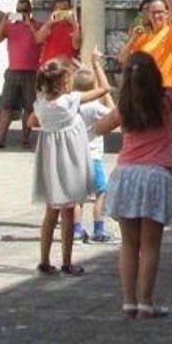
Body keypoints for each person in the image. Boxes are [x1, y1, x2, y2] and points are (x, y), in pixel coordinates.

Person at [93, 33, 172, 318]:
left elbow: (101, 128)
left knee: (129, 244)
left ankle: (128, 301)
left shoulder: (126, 107)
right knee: (151, 245)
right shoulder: (168, 98)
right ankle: (146, 302)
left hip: (126, 174)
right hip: (156, 174)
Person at [32, 53, 111, 276]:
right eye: (68, 79)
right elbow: (104, 89)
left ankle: (44, 261)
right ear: (62, 82)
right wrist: (96, 65)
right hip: (69, 160)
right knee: (68, 212)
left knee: (50, 212)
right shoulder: (70, 100)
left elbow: (32, 119)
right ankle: (67, 262)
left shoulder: (40, 103)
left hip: (49, 162)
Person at [0, 0, 41, 149]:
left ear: (30, 11)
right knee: (6, 106)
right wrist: (3, 21)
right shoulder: (10, 26)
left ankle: (25, 138)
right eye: (19, 10)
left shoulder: (36, 25)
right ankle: (0, 139)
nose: (22, 13)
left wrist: (29, 24)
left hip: (31, 71)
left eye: (24, 10)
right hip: (13, 70)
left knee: (29, 107)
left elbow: (40, 39)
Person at [73, 62, 115, 245]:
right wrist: (104, 88)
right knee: (102, 192)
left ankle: (76, 229)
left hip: (75, 156)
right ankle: (98, 228)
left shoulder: (73, 105)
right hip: (93, 156)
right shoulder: (94, 108)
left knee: (78, 196)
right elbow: (114, 113)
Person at [36, 0, 80, 67]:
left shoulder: (75, 27)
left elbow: (76, 45)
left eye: (64, 10)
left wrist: (74, 24)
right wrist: (50, 22)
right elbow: (38, 39)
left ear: (70, 10)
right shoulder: (50, 26)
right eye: (58, 10)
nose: (61, 13)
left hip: (66, 69)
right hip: (48, 67)